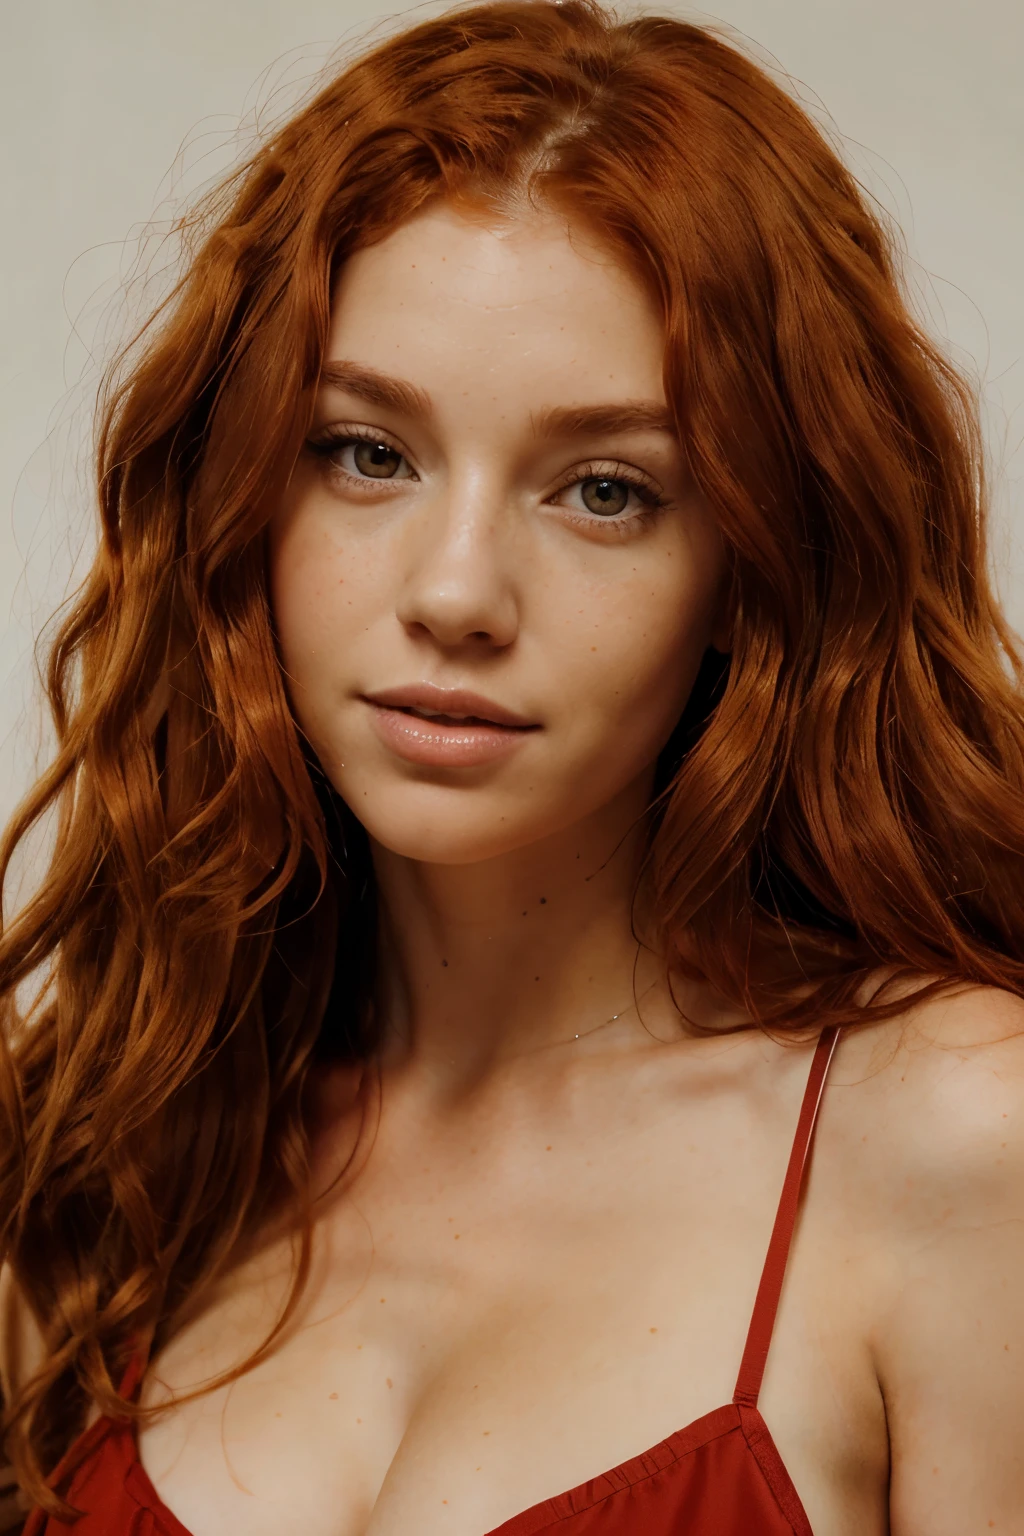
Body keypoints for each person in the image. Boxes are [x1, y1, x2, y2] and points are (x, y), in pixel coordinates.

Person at [2, 0, 1024, 1531]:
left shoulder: (953, 1139)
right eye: (366, 453)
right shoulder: (103, 1147)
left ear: (755, 563)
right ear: (243, 498)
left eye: (604, 490)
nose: (458, 592)